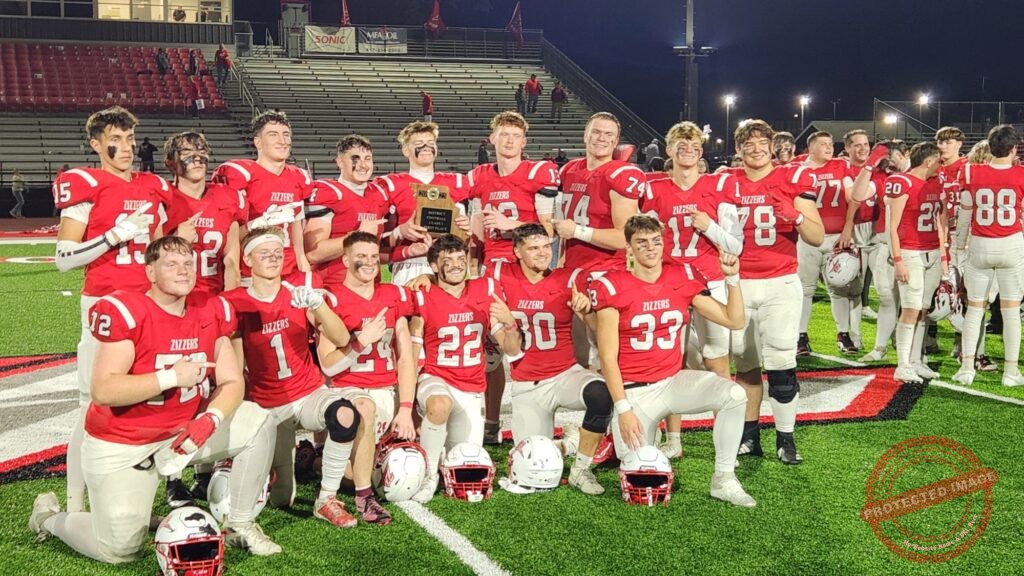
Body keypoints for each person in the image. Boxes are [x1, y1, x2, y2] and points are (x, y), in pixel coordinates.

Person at [29, 235, 281, 560]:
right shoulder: (127, 310)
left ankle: (240, 525)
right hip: (124, 443)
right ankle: (49, 518)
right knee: (120, 549)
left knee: (260, 422)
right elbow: (104, 390)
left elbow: (232, 382)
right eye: (171, 264)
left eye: (189, 263)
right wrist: (172, 377)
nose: (183, 270)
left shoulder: (211, 308)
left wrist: (211, 418)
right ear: (150, 272)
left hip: (181, 433)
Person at [224, 228, 393, 525]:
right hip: (267, 405)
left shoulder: (299, 292)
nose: (274, 259)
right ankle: (284, 469)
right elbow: (235, 362)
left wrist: (319, 306)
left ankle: (326, 498)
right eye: (265, 254)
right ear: (248, 260)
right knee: (281, 497)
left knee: (344, 415)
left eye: (278, 253)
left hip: (307, 392)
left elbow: (341, 338)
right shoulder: (235, 301)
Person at [53, 107, 173, 515]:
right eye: (116, 139)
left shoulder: (153, 185)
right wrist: (114, 235)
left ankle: (133, 502)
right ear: (95, 144)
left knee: (141, 406)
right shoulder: (85, 182)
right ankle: (74, 506)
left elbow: (158, 247)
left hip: (147, 306)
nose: (126, 146)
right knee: (93, 406)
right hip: (104, 304)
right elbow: (64, 258)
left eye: (130, 138)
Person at [590, 214, 754, 507]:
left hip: (673, 381)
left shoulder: (681, 277)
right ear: (628, 248)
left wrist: (732, 278)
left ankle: (724, 479)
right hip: (635, 392)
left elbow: (734, 319)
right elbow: (607, 357)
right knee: (642, 475)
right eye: (641, 243)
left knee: (734, 394)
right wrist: (623, 408)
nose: (650, 248)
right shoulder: (611, 285)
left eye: (655, 241)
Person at [639, 121, 743, 458]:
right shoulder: (653, 188)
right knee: (670, 364)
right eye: (680, 145)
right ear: (668, 151)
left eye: (694, 146)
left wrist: (709, 226)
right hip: (668, 283)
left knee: (717, 361)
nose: (687, 150)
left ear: (701, 152)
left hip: (709, 280)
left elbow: (735, 245)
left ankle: (726, 441)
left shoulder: (717, 185)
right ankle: (674, 442)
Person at [726, 119, 823, 463]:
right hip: (738, 284)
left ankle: (786, 438)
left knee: (781, 362)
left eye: (761, 143)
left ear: (772, 147)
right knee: (745, 364)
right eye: (747, 144)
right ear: (738, 150)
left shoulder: (791, 178)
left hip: (780, 281)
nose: (755, 149)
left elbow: (817, 235)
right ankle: (750, 437)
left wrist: (793, 216)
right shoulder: (725, 182)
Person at [159, 131, 246, 505]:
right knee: (179, 388)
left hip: (213, 302)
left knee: (218, 384)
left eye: (202, 152)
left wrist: (230, 306)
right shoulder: (163, 199)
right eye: (188, 153)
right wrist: (178, 238)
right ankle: (172, 472)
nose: (198, 158)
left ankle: (205, 468)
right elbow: (150, 255)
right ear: (171, 162)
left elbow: (231, 258)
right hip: (174, 305)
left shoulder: (226, 197)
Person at [492, 224, 611, 494]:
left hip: (565, 374)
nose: (543, 253)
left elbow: (597, 328)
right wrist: (427, 278)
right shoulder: (499, 274)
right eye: (533, 248)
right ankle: (568, 444)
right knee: (534, 466)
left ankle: (581, 469)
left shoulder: (570, 279)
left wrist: (588, 313)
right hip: (527, 384)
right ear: (517, 252)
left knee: (600, 395)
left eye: (546, 246)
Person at [466, 111, 558, 443]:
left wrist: (512, 227)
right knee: (491, 354)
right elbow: (478, 227)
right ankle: (491, 424)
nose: (509, 141)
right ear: (492, 138)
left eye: (516, 136)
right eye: (503, 134)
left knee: (529, 348)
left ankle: (535, 419)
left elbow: (548, 230)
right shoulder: (480, 176)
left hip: (528, 272)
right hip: (493, 271)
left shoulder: (539, 172)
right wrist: (472, 249)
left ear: (524, 141)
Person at [408, 235, 521, 502]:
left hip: (471, 388)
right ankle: (427, 477)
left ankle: (437, 456)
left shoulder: (485, 290)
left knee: (464, 463)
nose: (458, 265)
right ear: (435, 267)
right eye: (448, 261)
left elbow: (512, 349)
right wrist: (407, 406)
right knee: (439, 404)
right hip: (436, 378)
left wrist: (510, 323)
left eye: (462, 259)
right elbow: (411, 354)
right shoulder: (422, 295)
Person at [316, 232, 418, 505]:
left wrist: (406, 408)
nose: (369, 262)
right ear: (346, 259)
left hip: (386, 390)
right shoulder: (331, 299)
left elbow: (406, 357)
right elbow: (328, 366)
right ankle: (319, 463)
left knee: (400, 468)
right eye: (361, 256)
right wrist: (361, 342)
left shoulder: (393, 295)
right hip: (346, 390)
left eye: (374, 256)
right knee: (364, 476)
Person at [553, 112, 647, 369]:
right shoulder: (570, 170)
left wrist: (578, 232)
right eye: (596, 132)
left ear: (616, 141)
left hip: (606, 273)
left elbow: (623, 237)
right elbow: (564, 226)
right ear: (585, 135)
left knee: (608, 354)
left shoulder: (621, 173)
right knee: (577, 355)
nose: (601, 139)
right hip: (572, 271)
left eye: (609, 135)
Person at [953, 124, 1024, 387]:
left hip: (980, 245)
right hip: (1011, 245)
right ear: (1014, 148)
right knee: (1011, 311)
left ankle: (967, 368)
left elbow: (964, 215)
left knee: (974, 309)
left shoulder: (972, 171)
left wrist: (959, 250)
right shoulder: (1021, 174)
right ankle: (1011, 372)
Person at [214, 110, 313, 283]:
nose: (282, 141)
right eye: (273, 135)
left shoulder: (298, 177)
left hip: (289, 274)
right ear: (258, 142)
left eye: (286, 135)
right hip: (252, 275)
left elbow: (299, 247)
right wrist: (260, 223)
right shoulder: (243, 175)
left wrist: (306, 276)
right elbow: (226, 241)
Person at [375, 120, 470, 286]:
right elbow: (376, 239)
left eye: (430, 143)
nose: (426, 146)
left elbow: (470, 236)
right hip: (410, 263)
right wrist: (399, 232)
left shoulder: (457, 181)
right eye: (419, 143)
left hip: (450, 261)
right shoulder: (391, 184)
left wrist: (468, 228)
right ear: (406, 150)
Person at [884, 142, 947, 383]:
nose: (940, 166)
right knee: (910, 309)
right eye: (938, 161)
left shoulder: (934, 183)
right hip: (910, 251)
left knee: (922, 310)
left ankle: (916, 360)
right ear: (929, 161)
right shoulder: (903, 182)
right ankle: (902, 364)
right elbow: (892, 226)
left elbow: (939, 221)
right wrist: (897, 259)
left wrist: (943, 256)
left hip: (930, 250)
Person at [796, 131, 861, 355]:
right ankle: (800, 336)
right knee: (805, 289)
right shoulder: (798, 168)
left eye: (830, 144)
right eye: (822, 144)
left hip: (836, 236)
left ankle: (843, 334)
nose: (828, 147)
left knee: (838, 288)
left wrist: (848, 227)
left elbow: (853, 197)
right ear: (810, 148)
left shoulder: (840, 167)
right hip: (808, 236)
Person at [303, 135, 393, 290]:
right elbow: (313, 253)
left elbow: (379, 250)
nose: (363, 165)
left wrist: (408, 249)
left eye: (368, 158)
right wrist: (357, 235)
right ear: (340, 162)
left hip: (370, 287)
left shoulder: (380, 194)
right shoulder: (330, 193)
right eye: (355, 158)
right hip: (334, 287)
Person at [851, 140, 909, 362]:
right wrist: (869, 166)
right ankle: (880, 347)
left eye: (890, 157)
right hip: (887, 244)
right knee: (887, 298)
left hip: (914, 246)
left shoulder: (917, 174)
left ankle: (913, 353)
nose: (887, 163)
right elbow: (858, 196)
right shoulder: (883, 178)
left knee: (915, 305)